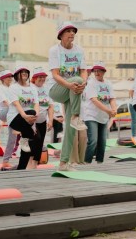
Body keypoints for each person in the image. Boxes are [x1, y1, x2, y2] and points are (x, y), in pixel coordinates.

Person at [47, 22, 88, 171]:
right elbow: (55, 75)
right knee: (76, 79)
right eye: (68, 31)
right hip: (57, 89)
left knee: (71, 129)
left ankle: (64, 163)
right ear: (61, 35)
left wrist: (84, 82)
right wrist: (73, 83)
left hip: (74, 90)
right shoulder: (54, 51)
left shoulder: (80, 50)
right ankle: (76, 116)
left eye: (73, 31)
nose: (72, 33)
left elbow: (84, 71)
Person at [6, 66, 41, 170]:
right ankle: (24, 139)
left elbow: (36, 104)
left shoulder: (32, 88)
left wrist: (36, 116)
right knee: (30, 113)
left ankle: (21, 168)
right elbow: (17, 104)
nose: (25, 73)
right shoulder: (13, 87)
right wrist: (25, 116)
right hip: (15, 118)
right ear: (17, 75)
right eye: (22, 72)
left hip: (29, 118)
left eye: (26, 72)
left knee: (34, 139)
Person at [83, 62, 116, 163]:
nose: (97, 73)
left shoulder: (108, 84)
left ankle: (99, 162)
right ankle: (86, 162)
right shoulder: (91, 83)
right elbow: (94, 100)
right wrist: (108, 111)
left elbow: (112, 99)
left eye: (99, 71)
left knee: (102, 142)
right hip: (91, 116)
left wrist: (114, 109)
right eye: (95, 71)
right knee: (93, 141)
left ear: (104, 72)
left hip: (103, 117)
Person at [0, 70, 16, 170]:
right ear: (3, 78)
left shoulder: (12, 88)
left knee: (13, 137)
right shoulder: (0, 88)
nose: (10, 78)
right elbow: (5, 102)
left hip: (11, 112)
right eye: (8, 77)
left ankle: (5, 161)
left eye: (11, 77)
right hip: (3, 112)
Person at [31, 67, 54, 147]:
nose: (42, 79)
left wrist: (50, 120)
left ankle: (36, 159)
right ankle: (31, 159)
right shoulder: (30, 88)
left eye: (44, 77)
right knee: (36, 140)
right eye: (40, 77)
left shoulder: (47, 89)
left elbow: (50, 106)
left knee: (40, 143)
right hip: (32, 121)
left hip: (43, 121)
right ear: (34, 78)